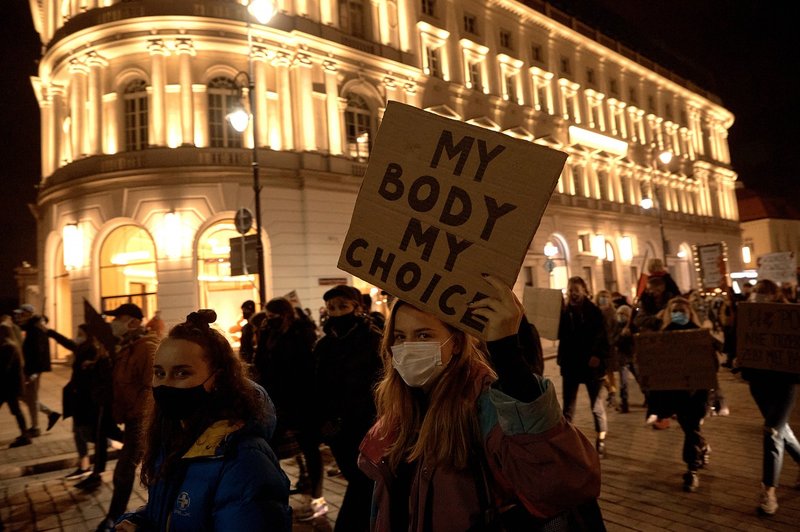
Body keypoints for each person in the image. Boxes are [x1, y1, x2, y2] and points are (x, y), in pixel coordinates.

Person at [359, 275, 604, 531]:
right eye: (399, 336)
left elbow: (561, 479)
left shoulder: (485, 408)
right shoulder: (397, 415)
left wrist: (507, 352)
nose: (408, 347)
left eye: (423, 335)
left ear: (454, 342)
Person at [115, 309, 291, 531]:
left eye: (182, 373)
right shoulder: (174, 436)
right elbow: (169, 511)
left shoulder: (245, 462)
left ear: (216, 379)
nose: (165, 384)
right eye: (159, 373)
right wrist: (139, 522)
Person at [78, 303, 160, 532]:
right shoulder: (128, 346)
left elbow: (151, 388)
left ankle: (115, 517)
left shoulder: (147, 348)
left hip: (142, 420)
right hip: (131, 417)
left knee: (125, 470)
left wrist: (140, 417)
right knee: (149, 468)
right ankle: (152, 512)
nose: (113, 323)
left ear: (133, 322)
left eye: (119, 318)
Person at [313, 285, 383, 530]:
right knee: (359, 481)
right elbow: (317, 386)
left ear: (357, 308)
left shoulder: (373, 341)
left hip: (368, 424)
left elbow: (381, 382)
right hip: (338, 430)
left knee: (363, 481)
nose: (337, 312)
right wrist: (323, 421)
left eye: (343, 306)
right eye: (332, 308)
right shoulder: (324, 346)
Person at [738, 279, 800, 515]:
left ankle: (769, 491)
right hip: (759, 383)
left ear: (775, 295)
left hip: (784, 384)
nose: (760, 296)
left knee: (772, 431)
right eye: (757, 292)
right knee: (781, 429)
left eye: (764, 293)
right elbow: (740, 344)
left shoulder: (789, 317)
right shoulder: (748, 316)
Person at [254, 297, 321, 509]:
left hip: (302, 399)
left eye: (274, 316)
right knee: (271, 447)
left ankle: (317, 496)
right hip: (276, 400)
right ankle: (275, 492)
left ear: (285, 314)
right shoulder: (269, 333)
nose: (270, 319)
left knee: (309, 448)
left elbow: (306, 365)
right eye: (268, 316)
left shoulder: (302, 332)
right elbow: (261, 362)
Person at [654, 297, 714, 492]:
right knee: (690, 428)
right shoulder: (662, 336)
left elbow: (713, 364)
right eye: (675, 310)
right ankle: (702, 446)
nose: (679, 314)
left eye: (682, 310)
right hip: (677, 394)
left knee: (692, 428)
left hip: (697, 393)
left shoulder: (699, 334)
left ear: (690, 313)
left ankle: (692, 470)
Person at [557, 276, 610, 457]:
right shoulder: (564, 313)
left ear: (584, 291)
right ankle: (566, 441)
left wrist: (597, 355)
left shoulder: (594, 311)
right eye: (571, 290)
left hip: (591, 366)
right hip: (571, 365)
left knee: (596, 406)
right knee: (568, 407)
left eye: (576, 290)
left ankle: (600, 438)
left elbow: (603, 337)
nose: (573, 294)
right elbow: (558, 334)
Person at [47, 324, 103, 480]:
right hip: (78, 398)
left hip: (86, 400)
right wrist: (50, 332)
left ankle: (97, 466)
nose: (77, 335)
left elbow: (93, 375)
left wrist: (90, 365)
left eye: (80, 333)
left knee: (86, 433)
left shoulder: (92, 349)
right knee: (78, 433)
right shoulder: (82, 347)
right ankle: (84, 465)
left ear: (88, 334)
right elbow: (67, 343)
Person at [14, 304, 60, 437]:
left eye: (21, 314)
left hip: (33, 369)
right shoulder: (31, 327)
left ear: (28, 314)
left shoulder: (36, 328)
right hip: (30, 368)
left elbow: (39, 352)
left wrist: (34, 372)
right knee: (24, 396)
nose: (18, 316)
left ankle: (35, 427)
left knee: (31, 397)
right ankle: (50, 414)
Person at [0, 322, 31, 447]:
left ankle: (25, 435)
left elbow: (4, 368)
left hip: (8, 386)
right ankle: (25, 435)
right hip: (8, 386)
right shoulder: (9, 345)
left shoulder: (9, 347)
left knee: (17, 410)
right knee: (16, 410)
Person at [238, 300, 257, 364]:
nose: (243, 313)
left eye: (245, 310)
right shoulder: (245, 327)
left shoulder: (256, 326)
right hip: (247, 359)